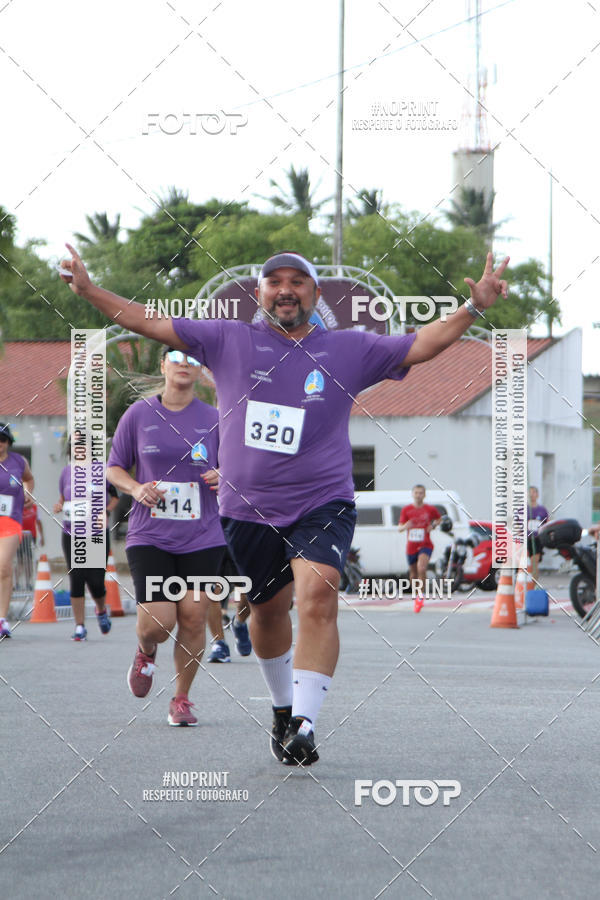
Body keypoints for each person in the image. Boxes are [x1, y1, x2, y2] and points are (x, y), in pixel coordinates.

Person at [61, 244, 509, 763]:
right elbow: (150, 323)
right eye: (276, 281)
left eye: (298, 281)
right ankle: (281, 710)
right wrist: (90, 291)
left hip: (323, 501)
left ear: (315, 294)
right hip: (246, 509)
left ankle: (305, 721)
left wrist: (472, 308)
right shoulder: (228, 339)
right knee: (267, 612)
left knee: (318, 594)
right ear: (260, 293)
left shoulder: (348, 349)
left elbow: (421, 344)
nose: (286, 289)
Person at [106, 346, 227, 726]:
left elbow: (243, 467)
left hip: (204, 535)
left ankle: (181, 699)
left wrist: (227, 476)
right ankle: (145, 651)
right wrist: (136, 488)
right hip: (151, 535)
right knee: (159, 624)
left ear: (200, 370)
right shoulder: (139, 415)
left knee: (193, 618)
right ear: (163, 365)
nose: (185, 365)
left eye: (193, 359)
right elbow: (113, 468)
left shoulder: (216, 418)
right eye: (176, 357)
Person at [54, 444, 119, 640]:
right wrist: (59, 505)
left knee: (96, 581)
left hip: (96, 532)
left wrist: (105, 511)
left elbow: (115, 497)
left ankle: (101, 610)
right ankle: (80, 626)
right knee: (76, 577)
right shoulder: (66, 472)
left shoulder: (103, 470)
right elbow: (63, 498)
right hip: (72, 532)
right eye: (75, 446)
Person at [0, 423, 35, 638]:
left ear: (9, 442)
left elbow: (29, 479)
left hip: (10, 520)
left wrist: (28, 493)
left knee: (3, 566)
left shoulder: (19, 462)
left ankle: (2, 619)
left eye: (3, 440)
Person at [397, 485, 441, 613]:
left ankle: (421, 597)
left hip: (425, 544)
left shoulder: (429, 509)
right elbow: (399, 528)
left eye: (421, 493)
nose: (418, 495)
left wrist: (432, 525)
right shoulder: (406, 510)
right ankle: (416, 595)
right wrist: (405, 526)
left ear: (425, 495)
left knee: (421, 568)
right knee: (413, 573)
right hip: (411, 545)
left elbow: (439, 519)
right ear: (412, 494)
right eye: (416, 493)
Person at [207, 549, 252, 662]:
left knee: (250, 594)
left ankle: (238, 623)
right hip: (212, 537)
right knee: (211, 589)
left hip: (240, 536)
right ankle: (219, 644)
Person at [527, 485, 549, 580]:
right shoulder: (523, 509)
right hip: (526, 539)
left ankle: (534, 583)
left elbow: (547, 523)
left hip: (537, 539)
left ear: (537, 495)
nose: (531, 495)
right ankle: (524, 584)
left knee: (534, 563)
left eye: (534, 492)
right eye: (530, 493)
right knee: (526, 564)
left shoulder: (542, 510)